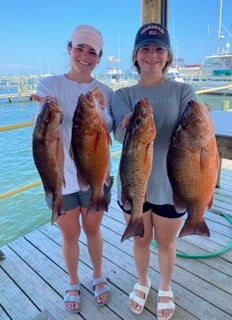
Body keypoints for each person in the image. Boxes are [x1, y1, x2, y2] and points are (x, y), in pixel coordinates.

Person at [110, 23, 197, 320]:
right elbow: (120, 134)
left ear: (168, 55)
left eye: (158, 48)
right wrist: (126, 123)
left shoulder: (183, 90)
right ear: (135, 55)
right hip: (133, 181)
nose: (151, 55)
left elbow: (194, 125)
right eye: (145, 49)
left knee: (167, 242)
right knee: (140, 239)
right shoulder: (122, 94)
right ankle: (143, 280)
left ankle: (165, 287)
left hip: (172, 184)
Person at [34, 25, 113, 313]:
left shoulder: (105, 91)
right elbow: (42, 131)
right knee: (69, 234)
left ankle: (98, 275)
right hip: (60, 178)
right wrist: (47, 108)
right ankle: (73, 280)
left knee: (93, 229)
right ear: (70, 49)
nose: (84, 55)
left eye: (92, 51)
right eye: (79, 48)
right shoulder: (48, 85)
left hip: (95, 174)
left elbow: (111, 132)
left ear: (99, 58)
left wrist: (102, 109)